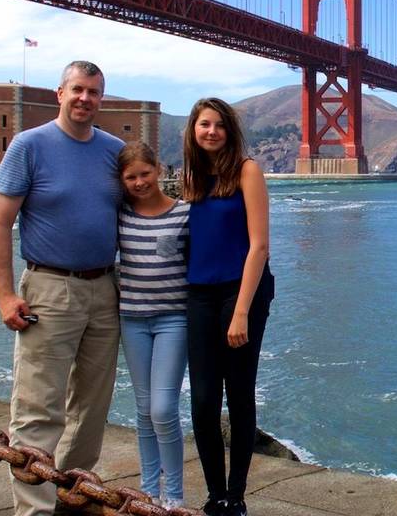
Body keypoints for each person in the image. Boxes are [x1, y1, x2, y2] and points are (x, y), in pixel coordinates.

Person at [0, 60, 124, 516]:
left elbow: (144, 212)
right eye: (78, 90)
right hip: (49, 287)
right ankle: (33, 511)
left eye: (95, 92)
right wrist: (6, 295)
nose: (86, 99)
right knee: (38, 409)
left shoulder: (114, 151)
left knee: (92, 406)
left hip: (105, 288)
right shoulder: (29, 146)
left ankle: (72, 497)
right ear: (58, 93)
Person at [182, 97, 274, 516]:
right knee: (202, 399)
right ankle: (214, 493)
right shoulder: (193, 178)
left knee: (238, 394)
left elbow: (259, 246)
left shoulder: (247, 170)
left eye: (219, 124)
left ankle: (236, 496)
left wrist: (240, 311)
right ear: (194, 130)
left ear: (229, 130)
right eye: (204, 124)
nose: (211, 131)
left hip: (243, 293)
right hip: (199, 294)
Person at [116, 141, 191, 509]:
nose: (139, 182)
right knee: (144, 409)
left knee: (163, 408)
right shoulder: (120, 215)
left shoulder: (184, 214)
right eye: (130, 177)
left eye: (145, 173)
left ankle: (174, 496)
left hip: (173, 319)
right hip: (131, 318)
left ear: (159, 170)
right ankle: (148, 493)